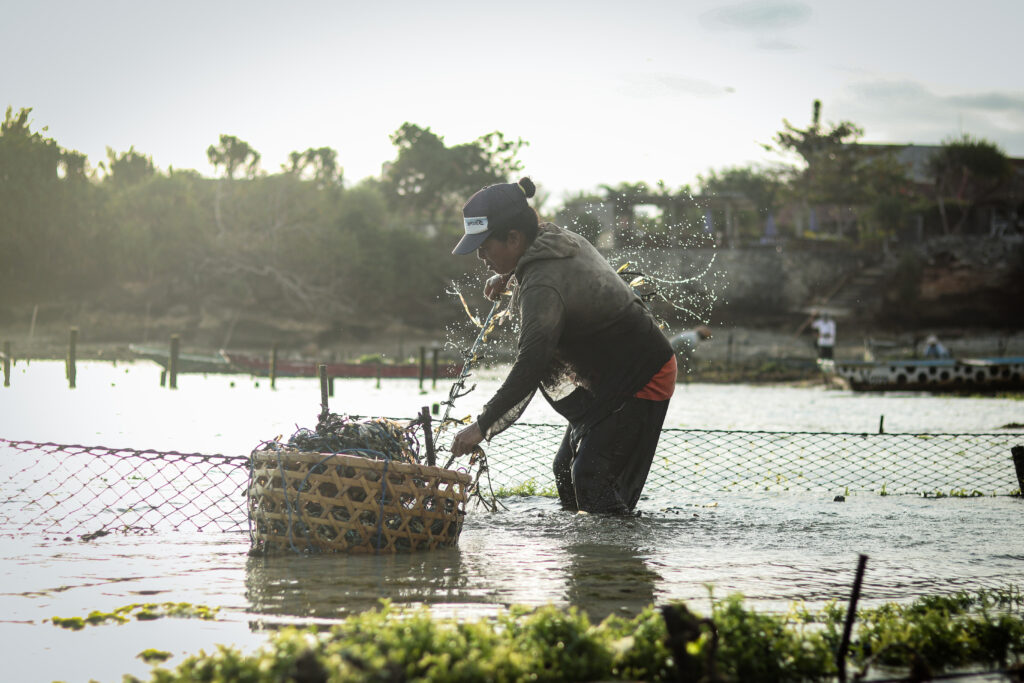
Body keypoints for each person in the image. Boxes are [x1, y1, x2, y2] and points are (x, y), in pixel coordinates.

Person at [448, 177, 676, 514]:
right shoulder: (550, 238)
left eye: (484, 246)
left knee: (589, 476)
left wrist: (481, 425)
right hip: (609, 375)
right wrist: (510, 274)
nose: (480, 256)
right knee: (564, 472)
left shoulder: (542, 284)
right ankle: (584, 553)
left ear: (513, 238)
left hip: (642, 374)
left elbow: (532, 363)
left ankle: (620, 556)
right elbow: (548, 269)